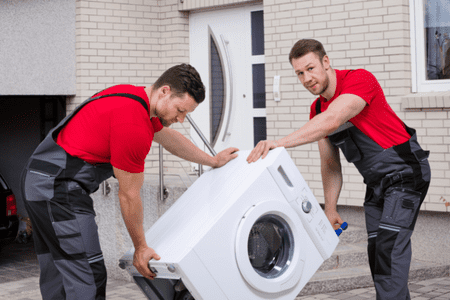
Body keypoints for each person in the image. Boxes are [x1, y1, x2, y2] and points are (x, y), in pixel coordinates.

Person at [21, 63, 238, 300]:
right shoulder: (133, 123)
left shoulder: (132, 97)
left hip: (38, 181)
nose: (181, 119)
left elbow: (169, 139)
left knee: (59, 270)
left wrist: (212, 160)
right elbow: (129, 195)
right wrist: (141, 248)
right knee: (87, 276)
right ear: (165, 91)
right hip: (59, 190)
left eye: (186, 113)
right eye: (180, 110)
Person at [247, 39, 430, 300]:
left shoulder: (359, 81)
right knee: (378, 252)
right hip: (377, 184)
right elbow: (330, 164)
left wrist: (278, 143)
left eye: (310, 68)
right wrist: (330, 207)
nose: (306, 78)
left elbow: (333, 119)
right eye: (299, 73)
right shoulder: (317, 110)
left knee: (389, 250)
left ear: (326, 62)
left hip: (406, 175)